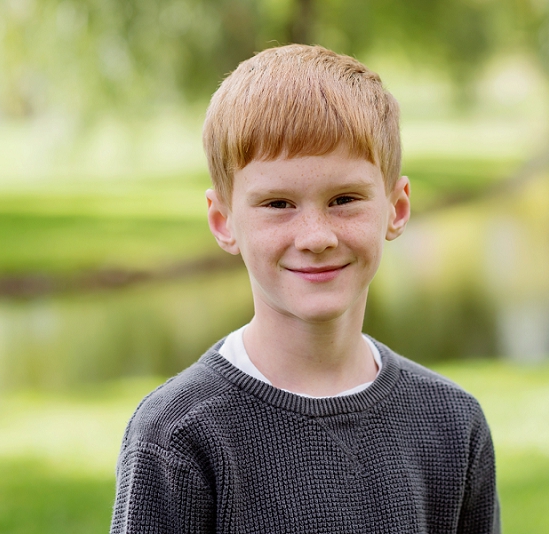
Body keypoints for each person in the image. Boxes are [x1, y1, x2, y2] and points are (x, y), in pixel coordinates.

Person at [110, 44, 500, 534]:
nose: (316, 237)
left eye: (344, 199)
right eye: (278, 204)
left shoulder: (452, 425)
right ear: (223, 220)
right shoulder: (177, 436)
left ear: (397, 209)